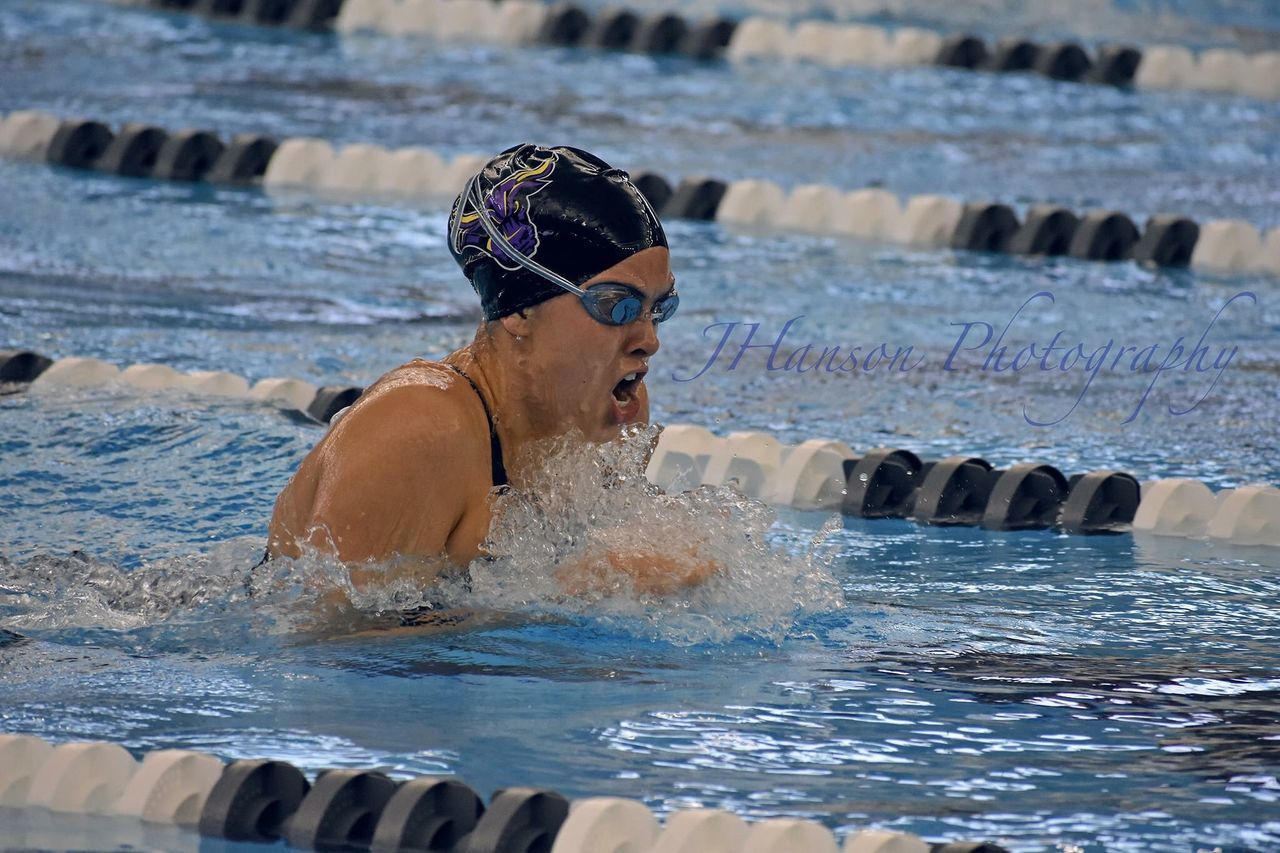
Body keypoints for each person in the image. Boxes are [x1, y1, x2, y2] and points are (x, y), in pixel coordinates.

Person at [266, 143, 712, 596]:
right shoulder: (417, 427)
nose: (649, 340)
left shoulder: (611, 412)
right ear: (520, 310)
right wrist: (571, 592)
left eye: (660, 308)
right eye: (616, 306)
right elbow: (327, 639)